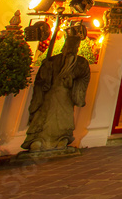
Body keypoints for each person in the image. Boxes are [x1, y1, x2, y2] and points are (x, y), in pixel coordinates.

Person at [22, 23, 91, 151]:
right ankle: (38, 139)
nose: (71, 49)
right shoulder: (53, 61)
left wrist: (71, 79)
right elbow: (42, 81)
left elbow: (82, 78)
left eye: (74, 46)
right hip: (50, 96)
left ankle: (61, 138)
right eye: (69, 46)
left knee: (64, 120)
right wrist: (46, 74)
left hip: (65, 99)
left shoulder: (80, 63)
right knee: (44, 116)